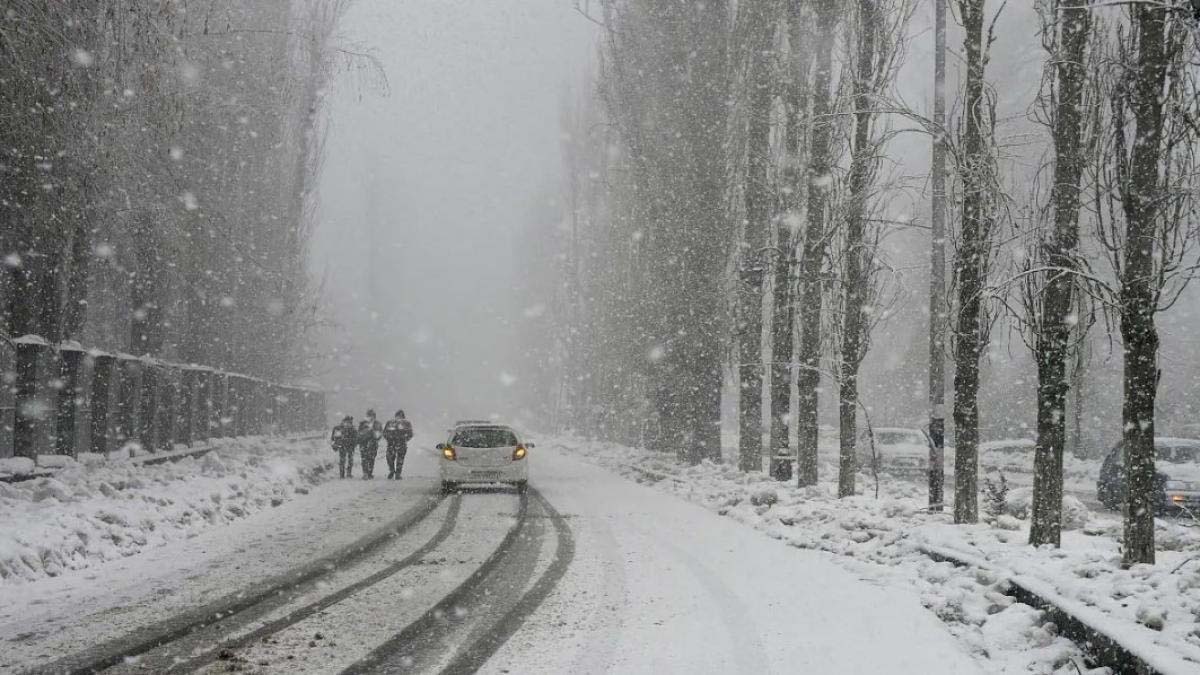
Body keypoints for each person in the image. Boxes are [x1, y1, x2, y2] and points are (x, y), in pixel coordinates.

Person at [383, 410, 414, 479]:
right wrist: (404, 438)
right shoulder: (405, 423)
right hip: (399, 443)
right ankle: (396, 472)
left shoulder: (391, 422)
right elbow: (410, 434)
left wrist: (389, 438)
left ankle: (394, 471)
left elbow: (384, 433)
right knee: (398, 459)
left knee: (391, 458)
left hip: (394, 443)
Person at [358, 409, 383, 479]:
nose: (371, 417)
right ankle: (365, 473)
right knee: (364, 458)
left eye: (372, 415)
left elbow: (380, 434)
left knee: (371, 459)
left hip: (373, 444)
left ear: (374, 416)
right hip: (363, 443)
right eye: (369, 415)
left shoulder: (377, 424)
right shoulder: (362, 423)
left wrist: (375, 435)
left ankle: (369, 473)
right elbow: (359, 433)